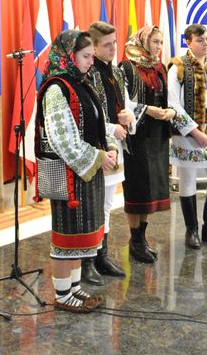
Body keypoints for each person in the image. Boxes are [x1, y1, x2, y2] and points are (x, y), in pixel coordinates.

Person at [35, 30, 117, 313]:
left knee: (81, 237)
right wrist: (98, 157)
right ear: (69, 56)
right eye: (85, 56)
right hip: (68, 176)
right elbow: (62, 139)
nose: (90, 62)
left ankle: (74, 288)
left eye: (92, 56)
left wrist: (110, 145)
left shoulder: (82, 83)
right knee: (66, 238)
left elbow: (98, 122)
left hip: (87, 172)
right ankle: (62, 295)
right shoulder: (56, 89)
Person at [168, 24, 207, 249]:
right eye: (200, 40)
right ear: (189, 42)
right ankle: (191, 230)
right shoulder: (178, 67)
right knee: (188, 178)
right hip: (188, 134)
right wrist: (194, 131)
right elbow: (173, 104)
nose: (206, 43)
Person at [84, 21, 137, 282]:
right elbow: (86, 117)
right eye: (107, 45)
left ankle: (101, 256)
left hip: (116, 148)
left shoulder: (116, 72)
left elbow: (127, 106)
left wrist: (129, 118)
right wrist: (111, 128)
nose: (113, 48)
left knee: (106, 205)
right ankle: (87, 261)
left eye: (115, 42)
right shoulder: (87, 74)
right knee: (92, 206)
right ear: (93, 47)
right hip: (95, 149)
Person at [119, 26, 176, 262]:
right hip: (137, 135)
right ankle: (135, 240)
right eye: (155, 42)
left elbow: (168, 98)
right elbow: (122, 102)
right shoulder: (126, 67)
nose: (159, 47)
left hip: (157, 135)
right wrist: (148, 110)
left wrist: (170, 111)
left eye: (161, 42)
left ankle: (141, 238)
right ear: (143, 41)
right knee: (137, 188)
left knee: (151, 190)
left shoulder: (159, 67)